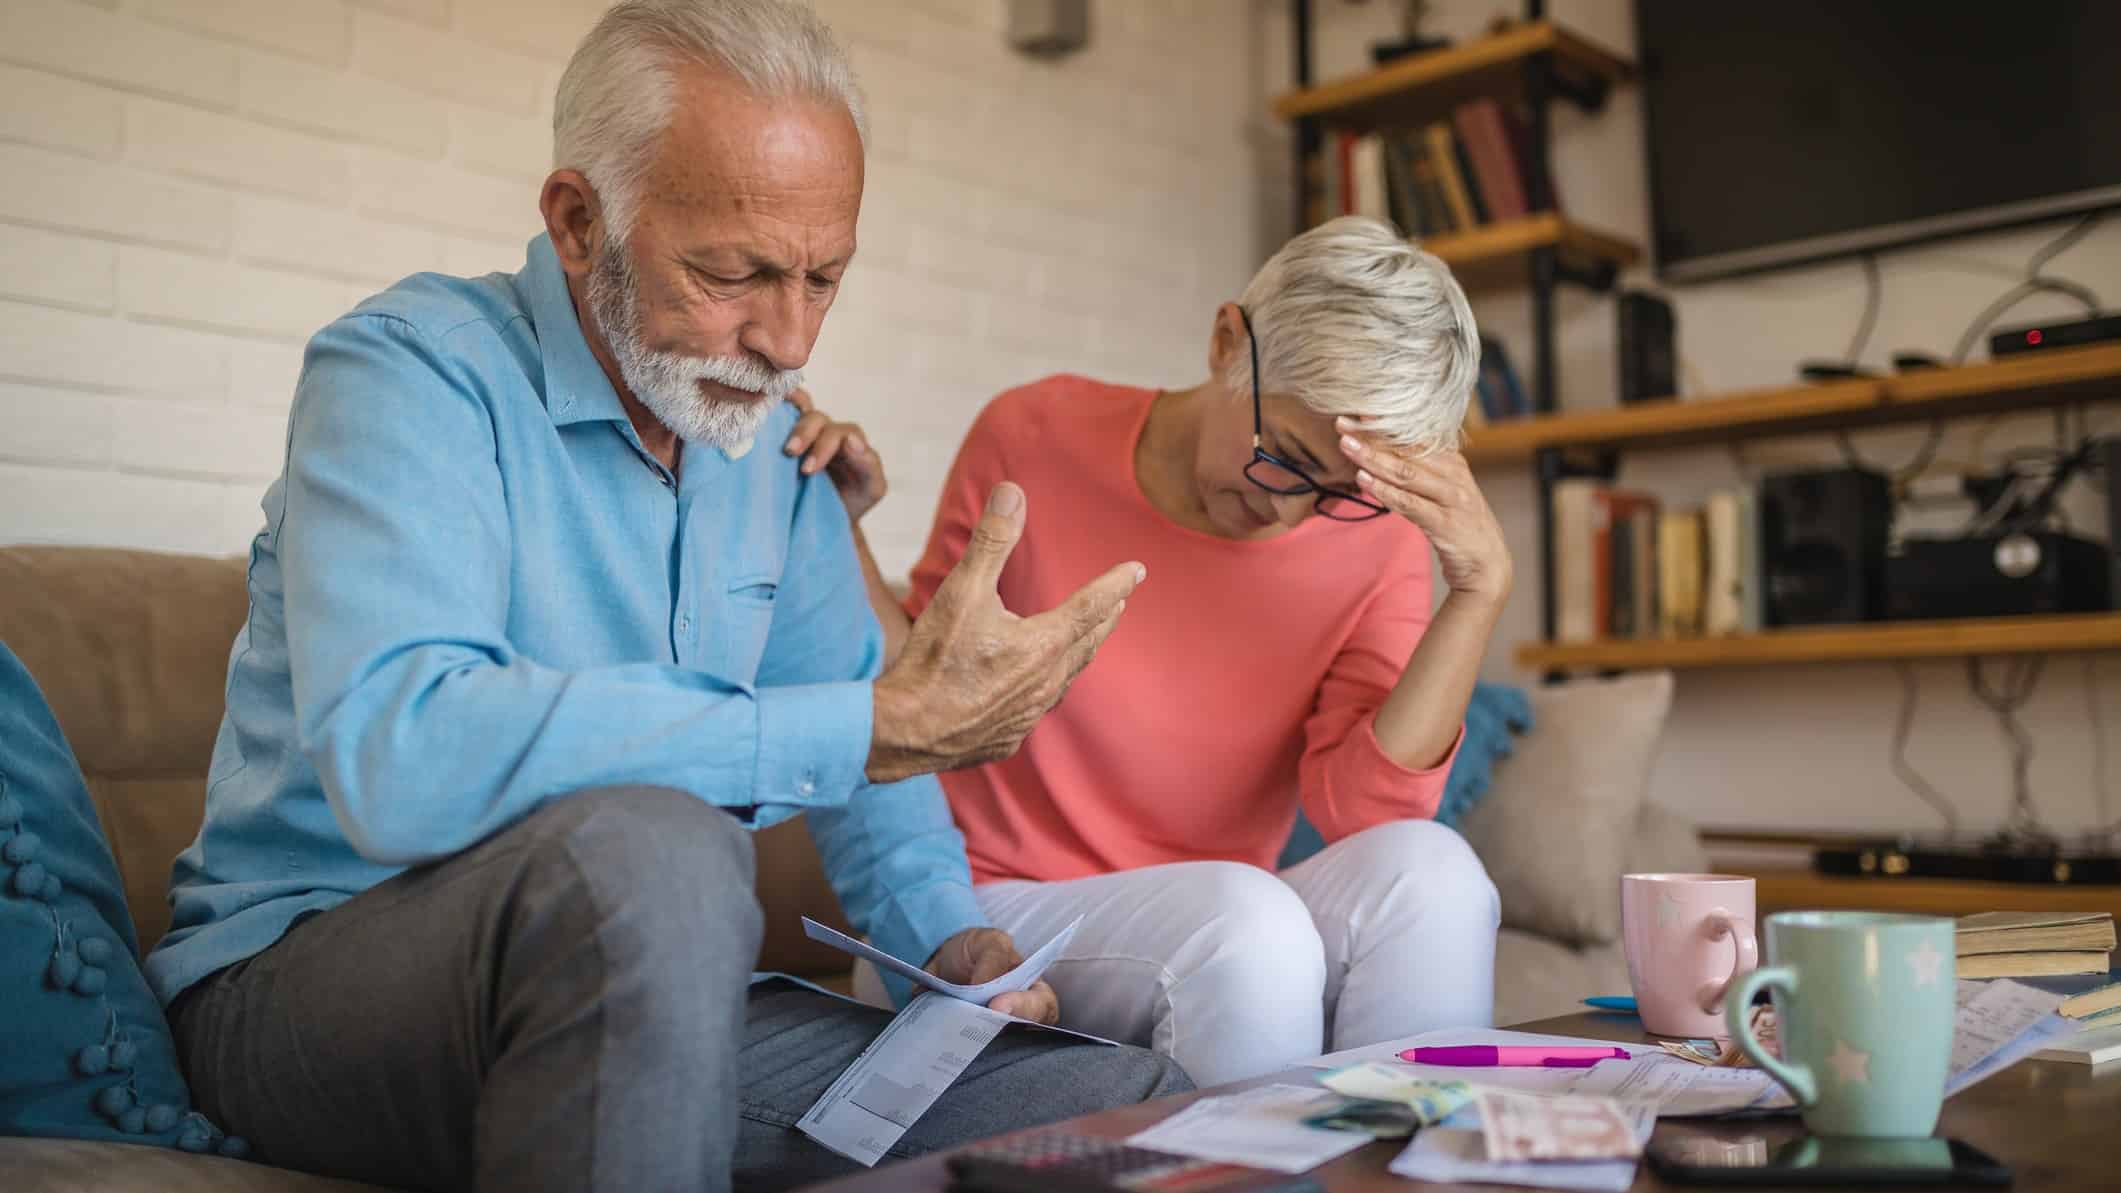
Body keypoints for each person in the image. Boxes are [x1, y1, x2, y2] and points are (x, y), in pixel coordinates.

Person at [144, 3, 1188, 1190]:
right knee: (653, 847)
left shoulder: (767, 449)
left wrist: (949, 939)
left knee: (1118, 1103)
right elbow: (404, 752)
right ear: (581, 220)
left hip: (639, 992)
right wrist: (858, 727)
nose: (788, 338)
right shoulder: (408, 373)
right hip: (307, 985)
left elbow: (863, 756)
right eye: (733, 272)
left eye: (824, 278)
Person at [786, 215, 1507, 1086]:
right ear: (1224, 342)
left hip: (1217, 905)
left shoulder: (1372, 536)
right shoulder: (1035, 432)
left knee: (1438, 877)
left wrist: (1476, 589)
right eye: (1282, 455)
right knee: (1251, 925)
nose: (1289, 511)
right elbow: (919, 689)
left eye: (1336, 492)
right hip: (1002, 900)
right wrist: (843, 531)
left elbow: (1364, 816)